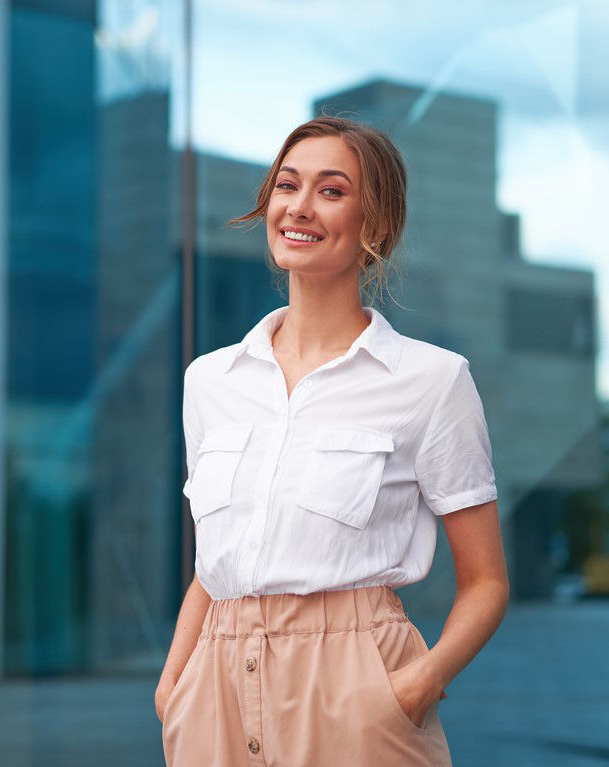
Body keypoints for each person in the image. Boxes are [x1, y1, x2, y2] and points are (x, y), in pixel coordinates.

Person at [155, 115, 509, 766]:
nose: (299, 206)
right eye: (287, 185)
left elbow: (486, 580)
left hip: (356, 694)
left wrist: (412, 687)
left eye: (331, 190)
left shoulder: (431, 381)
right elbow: (218, 564)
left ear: (376, 225)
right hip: (213, 692)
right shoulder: (209, 381)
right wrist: (173, 685)